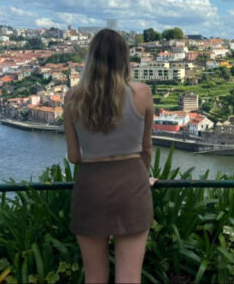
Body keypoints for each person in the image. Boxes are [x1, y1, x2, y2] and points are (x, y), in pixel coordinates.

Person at [62, 29, 155, 284]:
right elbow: (146, 148)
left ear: (90, 59)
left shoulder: (72, 99)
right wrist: (144, 177)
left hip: (91, 187)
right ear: (125, 59)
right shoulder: (142, 93)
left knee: (94, 276)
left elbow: (73, 156)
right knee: (129, 276)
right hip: (132, 186)